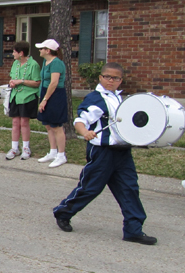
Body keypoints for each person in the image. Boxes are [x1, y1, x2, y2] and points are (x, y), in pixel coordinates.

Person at [52, 63, 156, 245]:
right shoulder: (96, 98)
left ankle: (133, 230)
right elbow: (80, 120)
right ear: (100, 78)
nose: (111, 81)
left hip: (122, 152)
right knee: (90, 187)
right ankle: (64, 212)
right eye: (107, 77)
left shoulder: (119, 99)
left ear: (120, 80)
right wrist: (85, 132)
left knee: (130, 188)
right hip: (102, 152)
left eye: (115, 78)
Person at [5, 41, 41, 160]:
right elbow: (12, 78)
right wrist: (12, 82)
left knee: (24, 122)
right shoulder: (15, 63)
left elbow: (37, 83)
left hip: (28, 97)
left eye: (14, 52)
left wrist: (21, 81)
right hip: (15, 96)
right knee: (15, 122)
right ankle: (14, 148)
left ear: (21, 53)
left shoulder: (33, 65)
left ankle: (26, 148)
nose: (13, 54)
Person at [36, 39, 67, 168]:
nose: (39, 50)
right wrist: (41, 96)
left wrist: (45, 100)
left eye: (41, 48)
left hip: (55, 95)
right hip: (45, 92)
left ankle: (61, 155)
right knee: (48, 125)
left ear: (48, 50)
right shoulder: (45, 62)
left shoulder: (57, 63)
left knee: (56, 126)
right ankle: (53, 152)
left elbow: (54, 83)